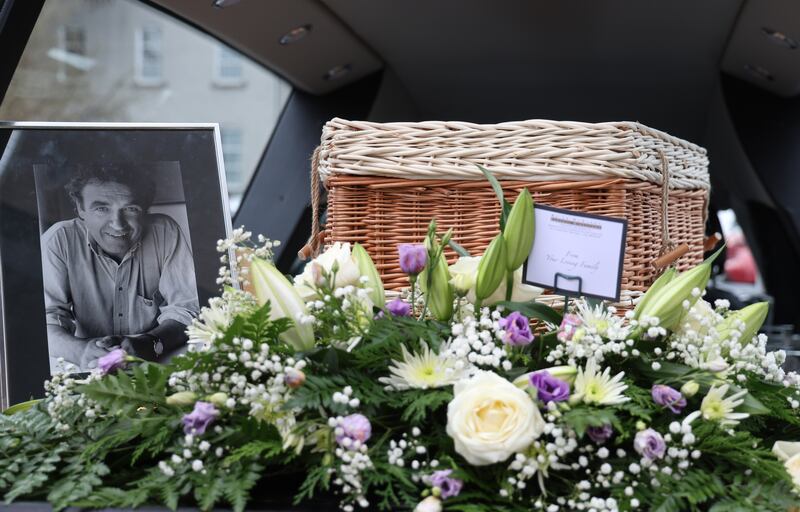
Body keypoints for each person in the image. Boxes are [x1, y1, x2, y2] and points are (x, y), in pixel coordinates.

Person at [41, 163, 199, 371]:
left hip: (154, 357)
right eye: (101, 209)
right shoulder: (58, 240)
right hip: (87, 365)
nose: (118, 224)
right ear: (80, 208)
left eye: (130, 209)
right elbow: (46, 321)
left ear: (145, 209)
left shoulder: (165, 232)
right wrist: (82, 351)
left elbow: (186, 309)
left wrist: (150, 343)